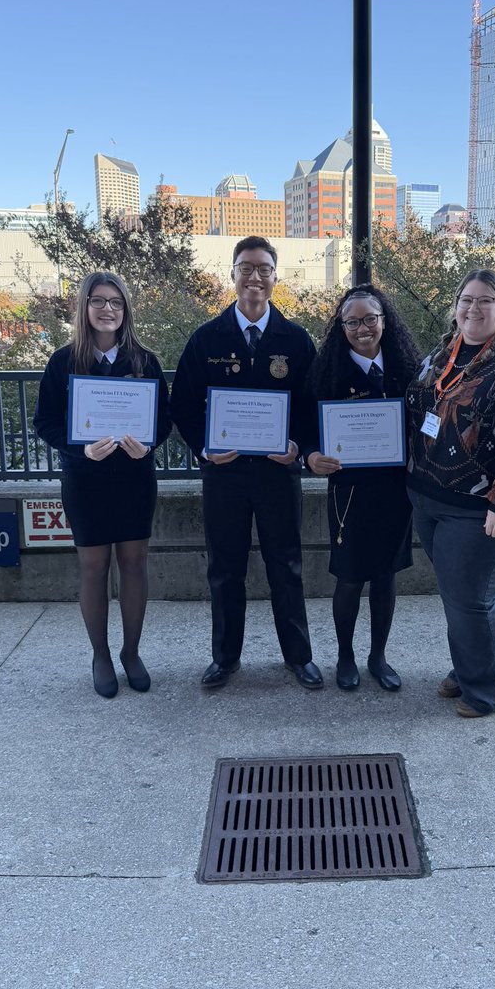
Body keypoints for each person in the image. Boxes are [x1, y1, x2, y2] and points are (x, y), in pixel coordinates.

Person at [170, 236, 322, 690]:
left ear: (275, 276)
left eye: (264, 269)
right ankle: (225, 658)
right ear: (233, 274)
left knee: (286, 567)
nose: (255, 277)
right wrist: (204, 448)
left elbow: (311, 405)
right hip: (225, 475)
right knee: (224, 568)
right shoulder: (206, 338)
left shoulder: (296, 340)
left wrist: (299, 445)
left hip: (278, 473)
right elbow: (183, 406)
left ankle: (299, 657)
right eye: (246, 268)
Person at [405, 268, 495, 718]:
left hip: (484, 505)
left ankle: (487, 690)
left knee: (472, 597)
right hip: (432, 495)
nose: (473, 308)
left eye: (485, 300)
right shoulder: (445, 351)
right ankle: (469, 667)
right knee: (458, 592)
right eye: (466, 299)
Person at [34, 271, 171, 699]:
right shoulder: (63, 362)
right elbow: (45, 422)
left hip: (133, 481)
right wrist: (80, 449)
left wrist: (148, 445)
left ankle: (131, 652)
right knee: (94, 568)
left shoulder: (144, 361)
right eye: (98, 300)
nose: (107, 309)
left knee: (134, 563)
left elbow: (164, 420)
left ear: (125, 309)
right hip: (86, 480)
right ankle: (101, 655)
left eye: (116, 302)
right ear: (85, 307)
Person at [305, 286, 419, 691]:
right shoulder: (328, 372)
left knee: (386, 577)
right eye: (352, 322)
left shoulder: (407, 369)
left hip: (395, 492)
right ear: (342, 327)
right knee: (351, 578)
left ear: (384, 320)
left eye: (370, 318)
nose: (362, 328)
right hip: (349, 492)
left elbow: (425, 422)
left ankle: (378, 657)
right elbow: (306, 429)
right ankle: (345, 657)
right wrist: (310, 456)